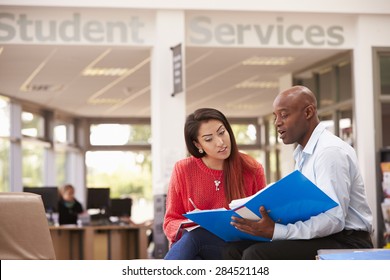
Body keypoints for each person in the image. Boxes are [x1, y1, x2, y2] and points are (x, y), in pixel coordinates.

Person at [223, 85, 374, 260]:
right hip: (324, 236)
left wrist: (278, 231)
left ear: (308, 112)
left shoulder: (329, 152)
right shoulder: (304, 154)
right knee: (233, 250)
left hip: (347, 241)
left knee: (256, 254)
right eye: (275, 117)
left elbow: (334, 219)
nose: (277, 122)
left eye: (284, 115)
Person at [163, 108, 267, 259]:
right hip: (198, 246)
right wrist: (191, 223)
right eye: (208, 139)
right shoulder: (183, 169)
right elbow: (170, 221)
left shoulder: (251, 168)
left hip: (238, 247)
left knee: (196, 238)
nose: (220, 142)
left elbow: (262, 219)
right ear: (198, 144)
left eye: (221, 132)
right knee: (195, 242)